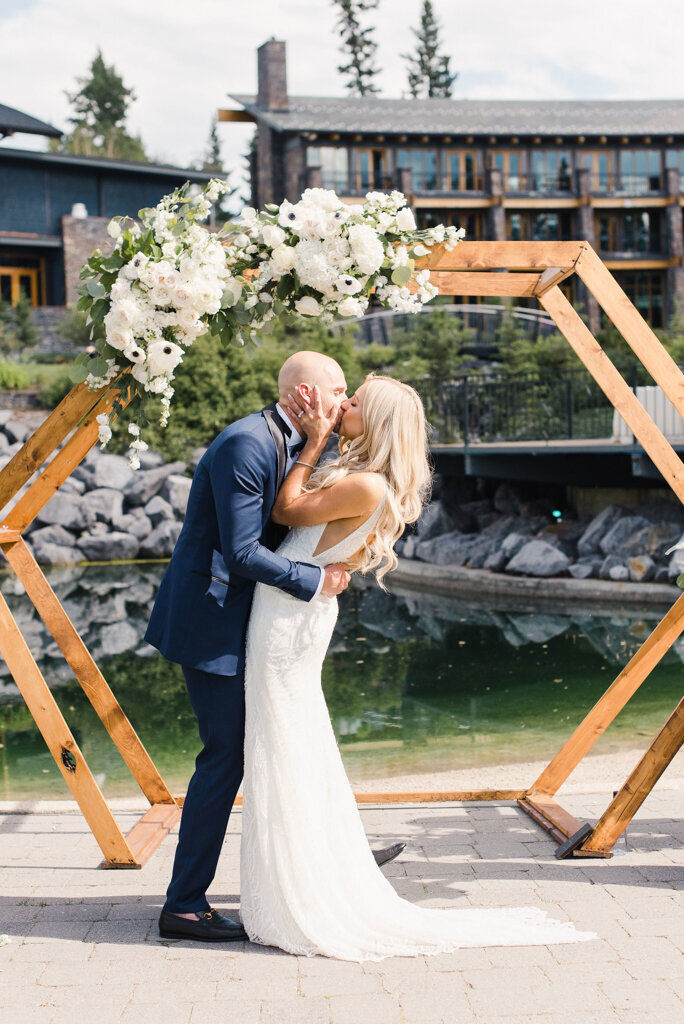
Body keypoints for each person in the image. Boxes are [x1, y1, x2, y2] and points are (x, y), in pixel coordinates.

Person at [239, 374, 594, 960]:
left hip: (284, 624)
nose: (343, 403)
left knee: (286, 749)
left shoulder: (366, 486)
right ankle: (298, 880)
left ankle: (303, 891)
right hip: (292, 614)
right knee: (292, 746)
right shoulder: (364, 480)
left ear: (375, 422)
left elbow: (284, 507)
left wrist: (311, 442)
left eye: (354, 402)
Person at [146, 352, 405, 944]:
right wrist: (315, 581)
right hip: (212, 622)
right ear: (310, 393)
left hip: (252, 621)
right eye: (341, 390)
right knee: (226, 756)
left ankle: (329, 861)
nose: (345, 403)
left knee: (282, 734)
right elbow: (241, 552)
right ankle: (183, 905)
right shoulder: (247, 443)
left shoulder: (294, 441)